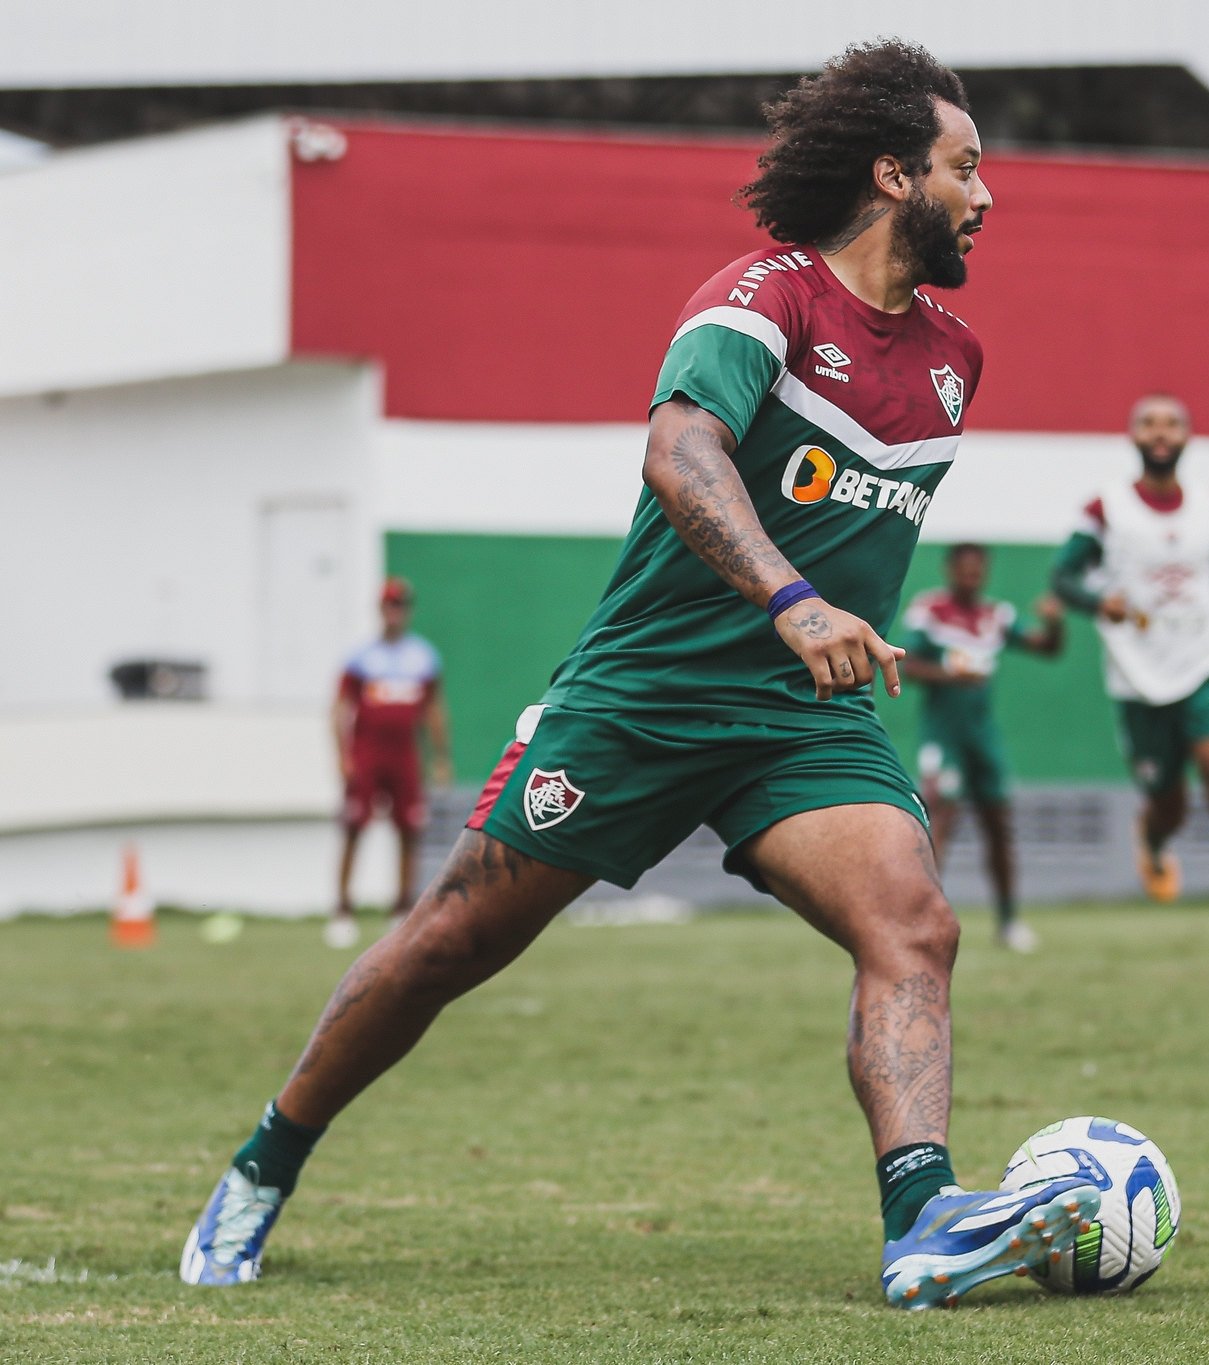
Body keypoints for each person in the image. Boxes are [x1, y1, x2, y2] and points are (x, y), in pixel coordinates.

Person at [180, 40, 1099, 1309]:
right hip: (642, 696)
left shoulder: (954, 355)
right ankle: (262, 1166)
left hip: (799, 718)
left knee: (914, 927)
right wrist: (790, 597)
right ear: (894, 175)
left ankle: (923, 1220)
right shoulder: (759, 299)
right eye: (965, 169)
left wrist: (830, 626)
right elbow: (680, 455)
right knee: (450, 944)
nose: (987, 196)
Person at [1050, 393, 1209, 973]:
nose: (1161, 433)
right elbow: (1061, 578)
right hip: (1140, 673)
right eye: (1149, 424)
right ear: (1134, 437)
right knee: (1168, 802)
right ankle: (1155, 838)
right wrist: (1095, 601)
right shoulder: (1106, 509)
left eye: (1172, 424)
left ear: (1187, 436)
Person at [898, 543, 1065, 951]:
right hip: (944, 734)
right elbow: (907, 665)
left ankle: (1009, 921)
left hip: (983, 737)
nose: (971, 577)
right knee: (941, 818)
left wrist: (1056, 623)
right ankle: (923, 918)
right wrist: (951, 674)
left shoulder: (996, 616)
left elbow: (1048, 648)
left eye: (978, 571)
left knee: (998, 825)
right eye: (965, 570)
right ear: (951, 570)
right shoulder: (930, 611)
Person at [328, 577, 452, 950]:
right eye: (388, 605)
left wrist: (442, 758)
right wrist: (343, 756)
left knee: (409, 829)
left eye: (400, 606)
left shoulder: (424, 657)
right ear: (380, 610)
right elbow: (340, 708)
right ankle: (343, 911)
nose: (394, 612)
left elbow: (434, 709)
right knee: (354, 827)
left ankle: (401, 909)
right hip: (368, 752)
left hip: (405, 755)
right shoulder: (361, 657)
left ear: (407, 611)